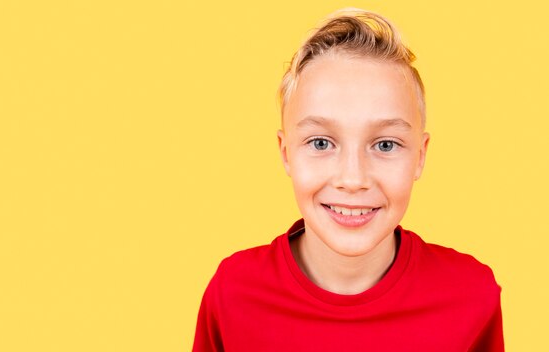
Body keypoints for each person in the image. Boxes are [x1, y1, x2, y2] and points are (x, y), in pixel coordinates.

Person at [193, 8, 503, 351]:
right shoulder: (233, 294)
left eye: (385, 144)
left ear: (420, 156)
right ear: (286, 154)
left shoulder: (471, 296)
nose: (353, 179)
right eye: (321, 143)